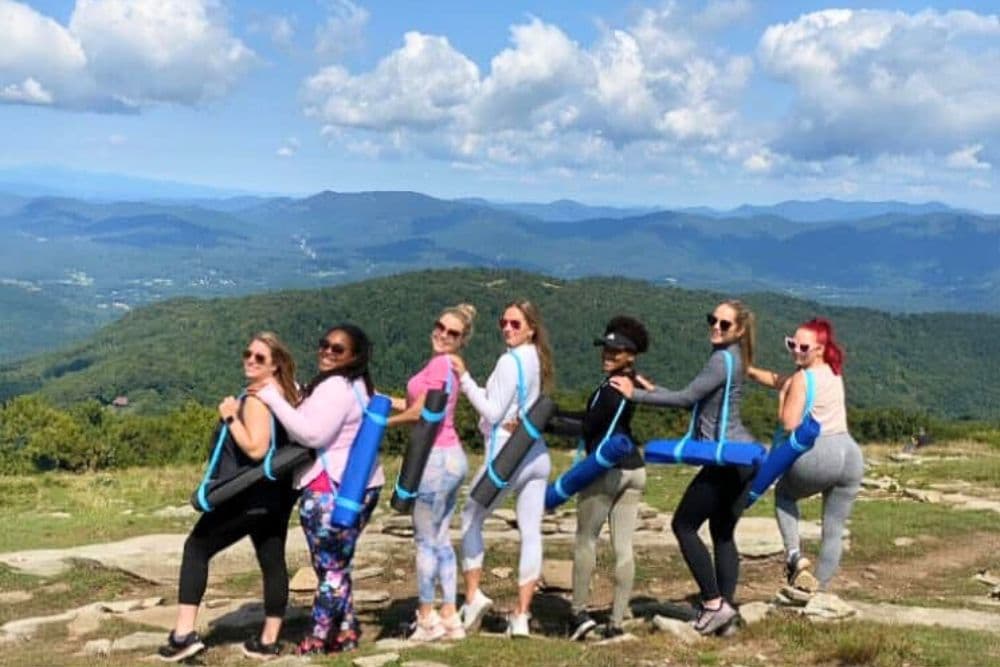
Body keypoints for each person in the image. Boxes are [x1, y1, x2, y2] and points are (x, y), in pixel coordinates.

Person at [612, 300, 757, 636]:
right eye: (713, 320)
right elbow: (694, 398)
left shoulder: (721, 359)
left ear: (739, 330)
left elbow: (686, 399)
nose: (716, 327)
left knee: (684, 525)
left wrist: (635, 395)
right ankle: (726, 611)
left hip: (725, 461)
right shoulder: (737, 358)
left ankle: (712, 604)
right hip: (741, 457)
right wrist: (652, 389)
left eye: (724, 324)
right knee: (722, 533)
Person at [158, 333, 300, 662]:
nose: (250, 360)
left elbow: (256, 447)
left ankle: (183, 635)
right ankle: (268, 640)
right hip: (277, 494)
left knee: (196, 548)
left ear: (275, 364)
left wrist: (230, 415)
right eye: (247, 353)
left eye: (259, 357)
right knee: (272, 560)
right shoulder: (285, 393)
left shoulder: (257, 400)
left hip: (248, 494)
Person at [254, 324, 383, 655]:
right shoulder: (355, 385)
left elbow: (312, 435)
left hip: (330, 488)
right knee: (336, 565)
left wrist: (270, 398)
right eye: (324, 344)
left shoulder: (336, 388)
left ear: (354, 356)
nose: (327, 351)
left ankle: (318, 637)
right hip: (357, 486)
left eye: (337, 349)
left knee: (331, 568)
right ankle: (346, 632)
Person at [449, 299, 555, 638]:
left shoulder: (509, 362)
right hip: (535, 452)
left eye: (515, 324)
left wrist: (464, 377)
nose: (507, 329)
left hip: (505, 455)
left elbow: (493, 413)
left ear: (531, 329)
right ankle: (521, 615)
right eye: (503, 322)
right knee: (531, 531)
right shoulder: (537, 358)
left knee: (470, 517)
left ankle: (474, 596)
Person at [748, 318, 863, 592]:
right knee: (833, 529)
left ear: (819, 348)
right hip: (850, 453)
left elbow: (788, 422)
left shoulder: (801, 379)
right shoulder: (833, 371)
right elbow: (784, 381)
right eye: (791, 344)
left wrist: (782, 398)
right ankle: (818, 591)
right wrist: (751, 372)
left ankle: (794, 556)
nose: (795, 350)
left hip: (820, 453)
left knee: (784, 495)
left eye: (803, 347)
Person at [387, 304, 477, 642]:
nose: (442, 334)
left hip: (434, 459)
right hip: (453, 458)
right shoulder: (448, 366)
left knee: (425, 542)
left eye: (452, 333)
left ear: (461, 340)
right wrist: (384, 401)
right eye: (440, 326)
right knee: (440, 539)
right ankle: (450, 616)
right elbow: (419, 402)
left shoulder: (441, 363)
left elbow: (425, 411)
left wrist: (383, 422)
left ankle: (426, 619)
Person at [561, 316, 651, 641]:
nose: (608, 354)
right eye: (606, 348)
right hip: (635, 469)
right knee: (623, 546)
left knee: (586, 539)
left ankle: (578, 614)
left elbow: (588, 426)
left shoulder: (611, 388)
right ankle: (616, 621)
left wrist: (544, 419)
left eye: (617, 350)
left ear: (631, 354)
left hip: (605, 468)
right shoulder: (635, 384)